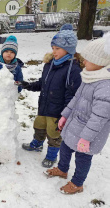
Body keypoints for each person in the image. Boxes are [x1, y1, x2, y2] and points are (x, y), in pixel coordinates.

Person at [45, 36, 110, 194]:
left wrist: (86, 138)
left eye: (87, 59)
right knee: (65, 148)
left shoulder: (105, 87)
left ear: (100, 62)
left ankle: (77, 183)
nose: (84, 62)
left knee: (83, 159)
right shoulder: (90, 77)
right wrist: (65, 115)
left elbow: (99, 118)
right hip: (75, 125)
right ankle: (62, 169)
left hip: (89, 136)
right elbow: (76, 98)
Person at [20, 24, 83, 168]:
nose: (54, 52)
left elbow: (72, 95)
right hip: (44, 106)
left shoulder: (73, 70)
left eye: (58, 49)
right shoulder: (49, 65)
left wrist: (65, 114)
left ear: (69, 49)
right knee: (39, 126)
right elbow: (43, 83)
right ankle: (37, 144)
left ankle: (51, 155)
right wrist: (29, 85)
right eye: (53, 48)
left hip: (58, 111)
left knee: (54, 135)